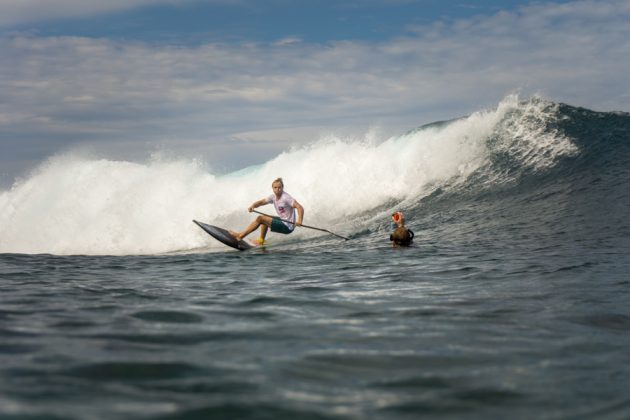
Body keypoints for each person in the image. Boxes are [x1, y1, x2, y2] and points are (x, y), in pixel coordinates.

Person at [231, 178, 304, 245]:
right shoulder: (273, 197)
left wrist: (300, 221)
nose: (277, 189)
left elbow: (300, 207)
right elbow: (261, 202)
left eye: (279, 187)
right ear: (272, 188)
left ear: (282, 188)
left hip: (287, 226)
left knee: (261, 218)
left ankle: (240, 236)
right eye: (275, 187)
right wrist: (253, 206)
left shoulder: (286, 198)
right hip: (283, 221)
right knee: (265, 218)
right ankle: (261, 241)